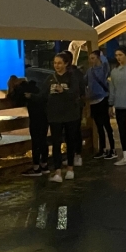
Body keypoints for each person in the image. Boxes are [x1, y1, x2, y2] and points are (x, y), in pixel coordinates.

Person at [47, 51, 86, 182]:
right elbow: (42, 94)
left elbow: (76, 92)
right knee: (56, 143)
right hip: (55, 115)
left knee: (70, 141)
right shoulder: (50, 78)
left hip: (70, 115)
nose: (57, 66)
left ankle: (70, 168)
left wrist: (64, 91)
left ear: (66, 64)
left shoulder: (72, 77)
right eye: (55, 63)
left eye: (59, 63)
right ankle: (57, 171)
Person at [7, 75, 49, 177]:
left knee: (36, 141)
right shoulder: (33, 86)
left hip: (35, 117)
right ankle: (44, 164)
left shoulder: (20, 90)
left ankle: (36, 167)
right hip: (45, 115)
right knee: (43, 140)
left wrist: (11, 93)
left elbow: (15, 100)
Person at [87, 50, 116, 160]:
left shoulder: (103, 70)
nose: (91, 60)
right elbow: (86, 82)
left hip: (102, 98)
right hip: (93, 100)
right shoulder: (90, 71)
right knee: (98, 126)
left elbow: (106, 65)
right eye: (90, 58)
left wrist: (102, 56)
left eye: (93, 58)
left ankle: (112, 149)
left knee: (106, 125)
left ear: (98, 58)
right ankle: (102, 148)